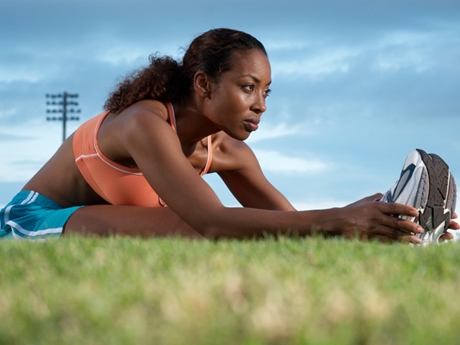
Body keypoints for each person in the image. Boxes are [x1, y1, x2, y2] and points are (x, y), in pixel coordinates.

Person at [1, 28, 458, 243]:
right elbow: (212, 221)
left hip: (98, 217)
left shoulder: (231, 153)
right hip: (30, 221)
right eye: (247, 88)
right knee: (193, 226)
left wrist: (381, 216)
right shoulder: (143, 122)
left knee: (262, 232)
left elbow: (292, 227)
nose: (261, 104)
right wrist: (341, 217)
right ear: (203, 84)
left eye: (266, 92)